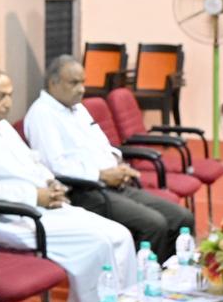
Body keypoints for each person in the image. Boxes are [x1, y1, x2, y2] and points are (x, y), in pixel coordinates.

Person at [0, 68, 136, 302]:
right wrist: (33, 195)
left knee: (120, 234)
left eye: (10, 95)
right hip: (8, 217)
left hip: (41, 206)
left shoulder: (0, 125)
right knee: (98, 244)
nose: (8, 103)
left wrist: (51, 182)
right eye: (0, 96)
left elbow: (32, 161)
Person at [24, 55, 194, 261]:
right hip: (83, 192)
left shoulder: (77, 108)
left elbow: (102, 144)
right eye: (74, 83)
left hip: (113, 184)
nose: (81, 89)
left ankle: (171, 277)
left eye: (83, 82)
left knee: (181, 217)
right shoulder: (42, 114)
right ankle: (146, 284)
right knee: (153, 224)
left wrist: (119, 164)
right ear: (53, 83)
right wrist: (102, 175)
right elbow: (55, 167)